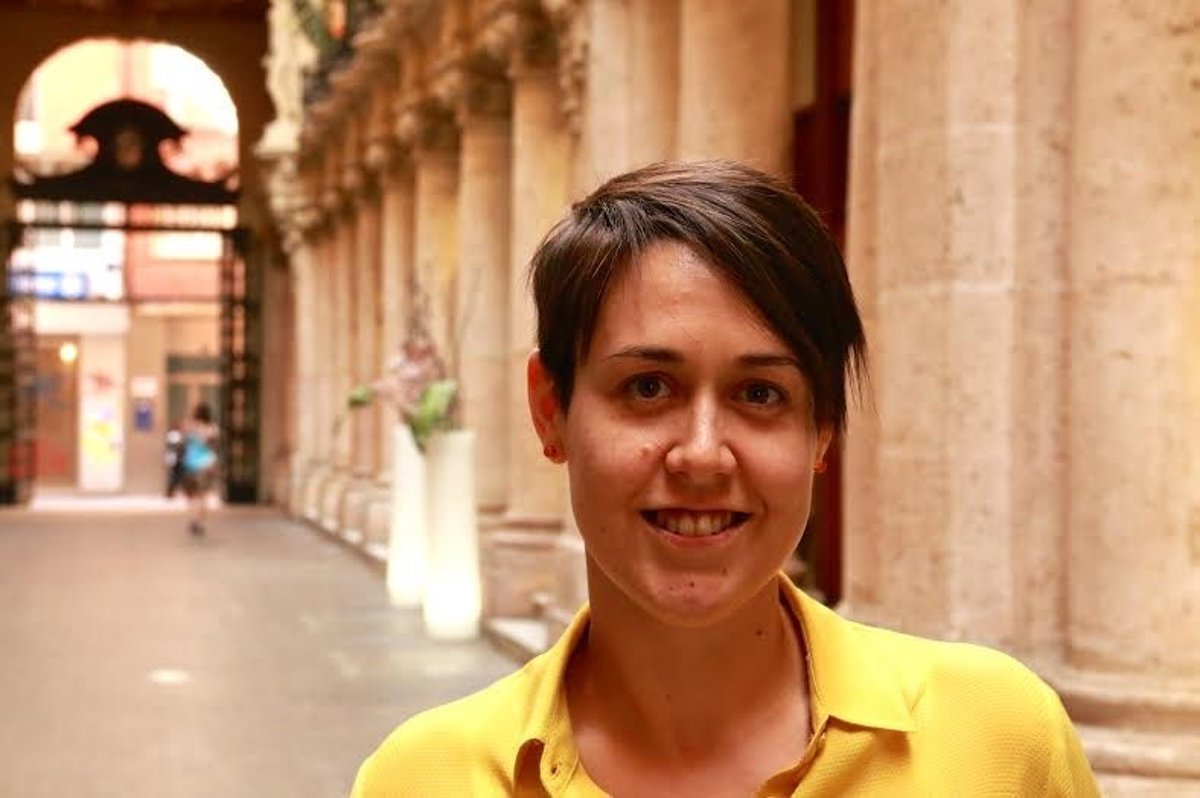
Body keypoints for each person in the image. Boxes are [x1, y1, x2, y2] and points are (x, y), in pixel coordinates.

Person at [350, 160, 1099, 796]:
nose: (703, 456)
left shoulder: (998, 742)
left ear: (822, 429)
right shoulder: (422, 780)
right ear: (552, 411)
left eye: (760, 394)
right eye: (648, 387)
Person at [180, 401, 218, 536]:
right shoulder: (212, 428)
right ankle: (198, 521)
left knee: (192, 495)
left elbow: (183, 440)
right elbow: (213, 447)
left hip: (190, 464)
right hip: (206, 464)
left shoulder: (190, 426)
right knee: (202, 495)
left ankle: (194, 518)